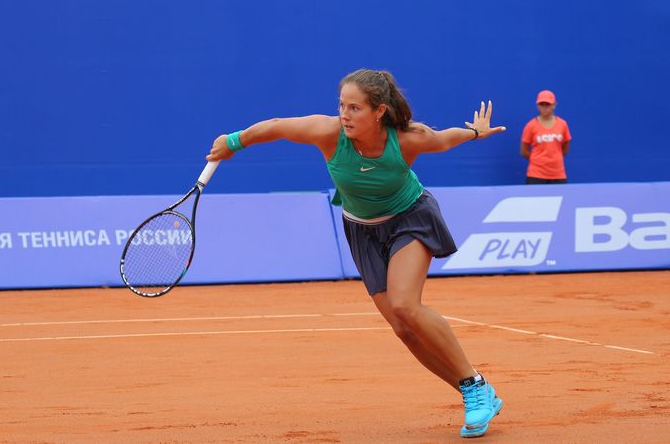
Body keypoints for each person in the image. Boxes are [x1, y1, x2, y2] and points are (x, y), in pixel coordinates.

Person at [206, 69, 506, 438]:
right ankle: (473, 388)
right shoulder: (329, 133)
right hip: (362, 230)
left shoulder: (409, 139)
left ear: (379, 111)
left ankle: (474, 386)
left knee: (405, 305)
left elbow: (444, 140)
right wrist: (233, 141)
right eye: (342, 106)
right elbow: (278, 126)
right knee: (402, 330)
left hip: (411, 218)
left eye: (354, 108)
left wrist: (475, 132)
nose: (344, 115)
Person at [520, 90, 572, 184]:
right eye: (541, 104)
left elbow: (565, 147)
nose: (544, 108)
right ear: (537, 105)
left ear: (554, 105)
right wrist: (538, 160)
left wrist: (555, 157)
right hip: (536, 174)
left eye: (547, 104)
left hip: (558, 174)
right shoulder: (530, 126)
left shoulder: (562, 124)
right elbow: (524, 151)